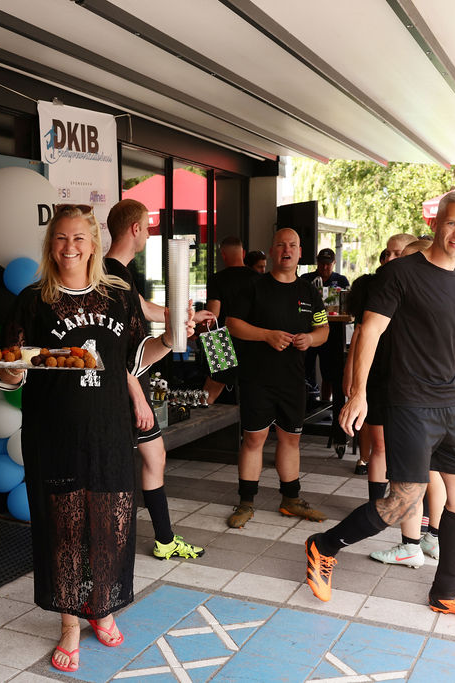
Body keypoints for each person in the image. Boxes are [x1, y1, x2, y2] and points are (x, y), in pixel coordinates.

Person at [0, 204, 197, 673]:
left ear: (93, 244)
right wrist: (10, 371)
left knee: (110, 526)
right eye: (61, 238)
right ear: (51, 245)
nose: (69, 247)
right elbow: (6, 371)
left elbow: (135, 358)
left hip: (108, 431)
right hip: (54, 433)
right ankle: (69, 624)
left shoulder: (118, 296)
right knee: (64, 529)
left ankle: (101, 607)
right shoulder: (32, 300)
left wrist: (171, 339)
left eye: (78, 238)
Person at [309, 191, 455, 626]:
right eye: (453, 223)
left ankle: (446, 593)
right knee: (403, 501)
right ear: (436, 223)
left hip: (451, 402)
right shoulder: (400, 273)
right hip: (409, 403)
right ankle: (324, 546)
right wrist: (358, 392)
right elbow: (369, 332)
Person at [104, 198, 211, 561]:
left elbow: (144, 308)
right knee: (122, 464)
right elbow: (107, 349)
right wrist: (135, 393)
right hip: (123, 387)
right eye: (147, 229)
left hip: (136, 379)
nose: (149, 235)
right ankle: (108, 545)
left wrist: (180, 314)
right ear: (135, 229)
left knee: (155, 456)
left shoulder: (119, 273)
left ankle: (164, 539)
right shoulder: (110, 277)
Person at [224, 228, 329, 528]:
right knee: (254, 439)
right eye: (281, 245)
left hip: (293, 380)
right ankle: (246, 502)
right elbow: (232, 324)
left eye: (293, 245)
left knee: (291, 439)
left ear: (300, 252)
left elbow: (323, 330)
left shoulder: (309, 291)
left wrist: (311, 338)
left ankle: (291, 499)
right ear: (271, 251)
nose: (287, 250)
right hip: (257, 377)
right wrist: (266, 335)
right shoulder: (254, 286)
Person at [349, 239, 443, 568]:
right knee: (407, 462)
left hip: (414, 390)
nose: (392, 259)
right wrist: (355, 385)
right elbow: (362, 332)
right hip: (394, 383)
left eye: (400, 254)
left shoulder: (429, 288)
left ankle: (423, 539)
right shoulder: (378, 286)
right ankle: (412, 534)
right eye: (388, 253)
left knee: (420, 470)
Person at [203, 236, 259, 404]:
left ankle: (200, 419)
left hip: (219, 338)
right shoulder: (258, 279)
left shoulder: (216, 279)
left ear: (223, 255)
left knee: (210, 392)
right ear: (243, 253)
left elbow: (212, 315)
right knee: (252, 392)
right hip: (250, 338)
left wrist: (198, 331)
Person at [301, 248, 350, 402]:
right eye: (322, 263)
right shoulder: (306, 279)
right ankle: (305, 403)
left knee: (331, 373)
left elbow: (348, 306)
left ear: (334, 263)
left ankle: (327, 403)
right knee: (305, 369)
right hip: (308, 331)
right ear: (317, 262)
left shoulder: (341, 280)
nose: (324, 267)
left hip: (333, 332)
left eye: (328, 264)